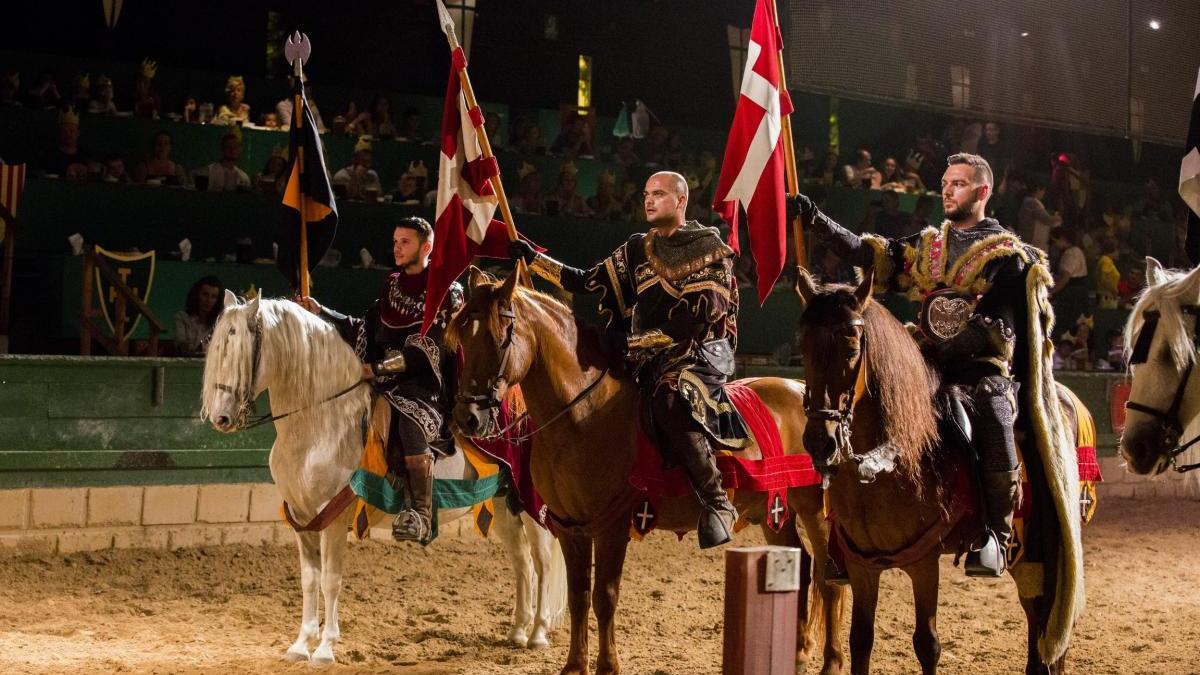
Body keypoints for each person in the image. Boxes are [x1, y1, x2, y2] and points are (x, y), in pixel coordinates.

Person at [792, 152, 1062, 578]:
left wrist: (932, 354)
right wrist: (818, 222)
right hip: (923, 364)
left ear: (983, 191)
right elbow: (869, 253)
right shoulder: (928, 245)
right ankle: (845, 533)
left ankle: (996, 532)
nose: (947, 190)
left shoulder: (1009, 255)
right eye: (946, 182)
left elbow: (994, 326)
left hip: (978, 367)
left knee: (993, 409)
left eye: (958, 183)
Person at [510, 171, 740, 549]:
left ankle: (717, 502)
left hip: (695, 353)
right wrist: (534, 261)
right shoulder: (638, 248)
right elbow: (586, 280)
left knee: (670, 403)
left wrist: (633, 342)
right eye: (646, 194)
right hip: (644, 356)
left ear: (681, 201)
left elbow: (696, 320)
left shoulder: (708, 247)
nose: (649, 200)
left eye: (659, 194)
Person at [298, 218, 463, 543]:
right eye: (396, 241)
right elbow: (365, 327)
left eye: (405, 242)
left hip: (425, 383)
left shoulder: (447, 289)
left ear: (426, 247)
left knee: (408, 422)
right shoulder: (392, 285)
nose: (397, 248)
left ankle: (420, 512)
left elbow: (427, 349)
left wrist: (376, 369)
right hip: (385, 377)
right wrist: (322, 312)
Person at [175, 276, 224, 356]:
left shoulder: (220, 320)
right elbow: (181, 342)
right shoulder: (182, 317)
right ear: (197, 295)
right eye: (205, 294)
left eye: (213, 297)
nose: (209, 300)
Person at [1017, 182, 1059, 252]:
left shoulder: (1031, 202)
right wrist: (1058, 217)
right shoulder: (1031, 202)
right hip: (1031, 241)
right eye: (1043, 190)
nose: (1043, 193)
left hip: (1033, 243)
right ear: (1038, 189)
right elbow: (1047, 219)